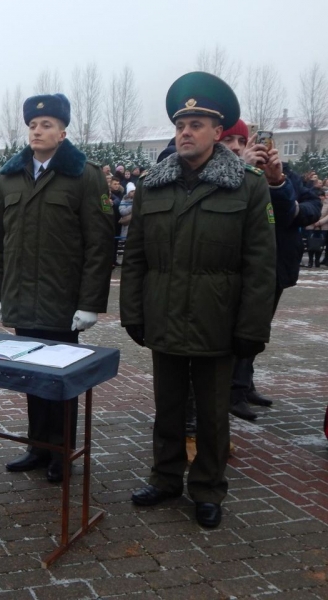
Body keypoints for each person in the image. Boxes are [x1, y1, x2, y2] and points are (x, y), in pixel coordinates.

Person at [120, 72, 276, 529]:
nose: (185, 132)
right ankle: (165, 477)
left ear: (218, 131)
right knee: (167, 406)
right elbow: (137, 258)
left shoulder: (247, 186)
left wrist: (251, 328)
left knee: (211, 413)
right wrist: (133, 312)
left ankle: (207, 488)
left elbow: (259, 266)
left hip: (217, 319)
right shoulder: (154, 185)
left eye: (196, 123)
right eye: (180, 124)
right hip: (164, 313)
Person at [0, 93, 114, 483]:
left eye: (46, 125)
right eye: (32, 125)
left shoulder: (84, 176)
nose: (37, 131)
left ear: (63, 132)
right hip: (23, 298)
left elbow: (99, 243)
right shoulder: (9, 177)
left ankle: (62, 451)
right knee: (31, 377)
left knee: (60, 380)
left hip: (63, 302)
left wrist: (90, 303)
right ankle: (38, 447)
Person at [225, 120, 322, 418]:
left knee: (258, 329)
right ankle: (232, 391)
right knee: (239, 330)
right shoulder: (228, 174)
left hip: (277, 266)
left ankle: (245, 383)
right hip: (245, 268)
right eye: (231, 141)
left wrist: (286, 198)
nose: (238, 147)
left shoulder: (282, 172)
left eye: (243, 141)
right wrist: (247, 171)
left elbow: (311, 205)